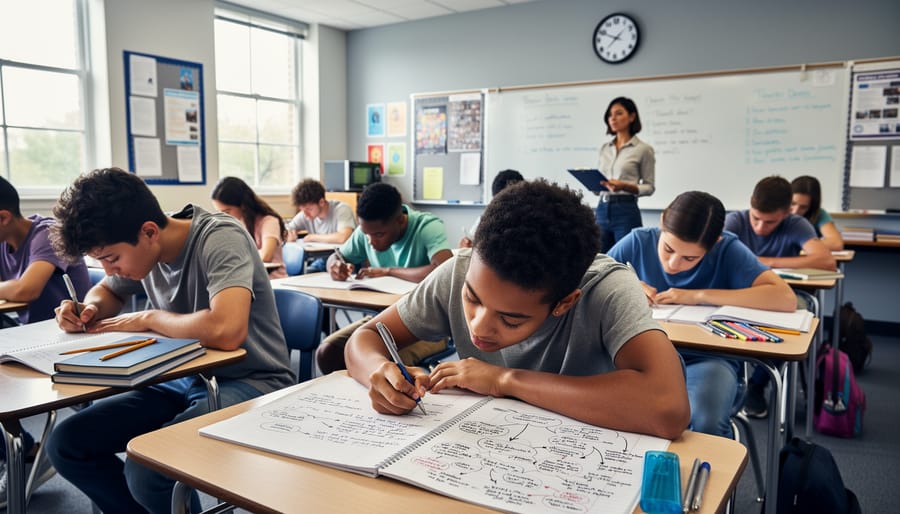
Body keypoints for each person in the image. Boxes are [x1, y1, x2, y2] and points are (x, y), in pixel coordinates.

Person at [344, 180, 690, 440]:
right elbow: (365, 337)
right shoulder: (459, 270)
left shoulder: (608, 289)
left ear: (565, 302)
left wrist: (505, 380)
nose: (479, 326)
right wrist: (381, 371)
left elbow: (668, 408)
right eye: (472, 298)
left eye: (510, 319)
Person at [46, 168, 294, 514]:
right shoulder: (143, 254)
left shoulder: (220, 236)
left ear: (149, 232)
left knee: (148, 472)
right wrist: (87, 308)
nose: (110, 269)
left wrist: (149, 318)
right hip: (179, 378)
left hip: (251, 381)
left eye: (111, 259)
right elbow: (105, 291)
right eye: (100, 261)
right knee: (66, 443)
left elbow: (227, 330)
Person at [607, 191, 796, 437]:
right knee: (612, 414)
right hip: (641, 356)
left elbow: (784, 297)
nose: (673, 264)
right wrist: (627, 287)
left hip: (709, 358)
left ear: (715, 242)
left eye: (690, 258)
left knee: (705, 422)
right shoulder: (638, 241)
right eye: (668, 249)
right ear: (662, 221)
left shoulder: (728, 249)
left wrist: (698, 295)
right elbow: (589, 282)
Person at [0, 177, 92, 506]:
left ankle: (17, 451)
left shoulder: (46, 233)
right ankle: (20, 448)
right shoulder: (3, 242)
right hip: (28, 337)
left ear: (3, 217)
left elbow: (27, 290)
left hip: (69, 337)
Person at [725, 175, 836, 418]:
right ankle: (730, 381)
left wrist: (767, 262)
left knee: (790, 320)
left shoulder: (797, 224)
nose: (759, 227)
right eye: (756, 218)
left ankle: (756, 384)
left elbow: (826, 261)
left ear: (787, 213)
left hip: (784, 297)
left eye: (770, 222)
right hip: (742, 294)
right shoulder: (734, 220)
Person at [316, 182, 454, 374]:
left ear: (400, 220)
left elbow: (445, 269)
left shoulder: (427, 226)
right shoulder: (367, 231)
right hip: (382, 320)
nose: (371, 242)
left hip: (427, 328)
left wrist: (389, 270)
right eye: (367, 234)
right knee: (328, 353)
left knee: (381, 364)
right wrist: (335, 265)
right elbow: (337, 256)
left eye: (379, 234)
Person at [592, 97, 655, 252]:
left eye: (618, 113)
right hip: (601, 208)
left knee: (627, 257)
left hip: (626, 209)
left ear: (632, 117)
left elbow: (649, 187)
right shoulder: (605, 148)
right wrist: (593, 183)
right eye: (610, 115)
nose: (612, 118)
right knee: (597, 259)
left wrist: (625, 186)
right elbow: (599, 188)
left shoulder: (643, 149)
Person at [211, 176, 288, 279]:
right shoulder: (238, 223)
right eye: (219, 212)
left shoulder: (269, 222)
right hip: (247, 279)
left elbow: (266, 256)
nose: (223, 217)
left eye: (226, 212)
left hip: (272, 281)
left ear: (242, 205)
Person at [285, 178, 357, 272]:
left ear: (321, 202)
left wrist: (312, 237)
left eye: (309, 209)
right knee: (302, 274)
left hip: (346, 261)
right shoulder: (306, 214)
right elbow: (287, 229)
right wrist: (289, 234)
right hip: (322, 261)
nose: (305, 215)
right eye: (302, 210)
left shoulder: (342, 209)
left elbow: (343, 237)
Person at [459, 169, 523, 248]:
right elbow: (468, 243)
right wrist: (466, 245)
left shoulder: (529, 221)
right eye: (500, 203)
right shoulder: (486, 218)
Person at [791, 175, 844, 251]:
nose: (795, 211)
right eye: (792, 203)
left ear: (811, 207)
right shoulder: (776, 211)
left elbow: (836, 244)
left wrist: (797, 244)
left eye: (803, 207)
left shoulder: (819, 214)